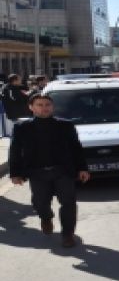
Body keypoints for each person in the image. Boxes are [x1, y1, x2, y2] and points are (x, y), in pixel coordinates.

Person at [8, 94, 90, 248]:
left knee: (68, 203)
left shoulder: (65, 126)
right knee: (40, 203)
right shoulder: (22, 127)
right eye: (39, 105)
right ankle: (46, 218)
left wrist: (82, 168)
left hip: (63, 171)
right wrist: (15, 173)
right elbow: (15, 151)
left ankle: (67, 234)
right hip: (37, 173)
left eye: (47, 105)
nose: (44, 108)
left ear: (52, 107)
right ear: (31, 107)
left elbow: (76, 149)